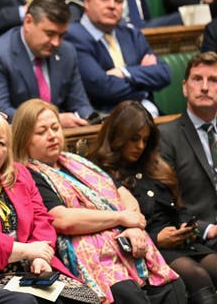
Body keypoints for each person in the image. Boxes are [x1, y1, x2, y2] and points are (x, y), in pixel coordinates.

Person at [13, 98, 185, 304]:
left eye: (55, 127)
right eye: (41, 132)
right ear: (24, 138)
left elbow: (123, 193)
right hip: (89, 254)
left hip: (124, 241)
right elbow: (63, 219)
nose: (51, 136)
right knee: (128, 293)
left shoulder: (78, 162)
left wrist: (135, 227)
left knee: (174, 287)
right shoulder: (29, 174)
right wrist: (122, 218)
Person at [0, 108, 97, 304]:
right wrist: (26, 251)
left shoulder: (19, 175)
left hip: (33, 269)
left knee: (86, 298)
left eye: (2, 142)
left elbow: (42, 219)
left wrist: (40, 256)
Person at [89, 100, 217, 304]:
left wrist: (186, 226)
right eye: (134, 139)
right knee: (196, 275)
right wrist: (156, 239)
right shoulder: (100, 173)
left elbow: (178, 207)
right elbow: (109, 232)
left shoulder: (153, 166)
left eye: (145, 140)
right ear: (117, 137)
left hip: (181, 242)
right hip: (146, 249)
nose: (140, 146)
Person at [0, 0, 92, 126]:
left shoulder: (67, 52)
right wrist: (55, 120)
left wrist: (90, 117)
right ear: (28, 21)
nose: (56, 43)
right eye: (50, 34)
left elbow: (80, 104)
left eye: (61, 35)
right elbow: (1, 112)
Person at [64, 0, 171, 115]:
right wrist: (144, 83)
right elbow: (102, 87)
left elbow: (164, 73)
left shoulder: (132, 34)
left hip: (150, 115)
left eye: (118, 0)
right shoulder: (74, 36)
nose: (112, 5)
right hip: (106, 121)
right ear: (87, 2)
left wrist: (124, 72)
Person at [159, 52, 217, 238]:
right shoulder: (166, 136)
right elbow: (167, 202)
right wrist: (206, 229)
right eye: (197, 79)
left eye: (214, 80)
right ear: (185, 87)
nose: (205, 87)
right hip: (198, 235)